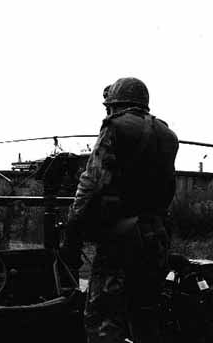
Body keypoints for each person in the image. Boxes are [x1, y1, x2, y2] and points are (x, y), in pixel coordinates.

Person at [65, 77, 179, 343]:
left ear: (114, 105)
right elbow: (168, 188)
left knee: (103, 318)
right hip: (158, 236)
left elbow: (91, 184)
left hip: (122, 238)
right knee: (146, 314)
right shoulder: (167, 134)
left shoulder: (115, 127)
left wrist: (73, 231)